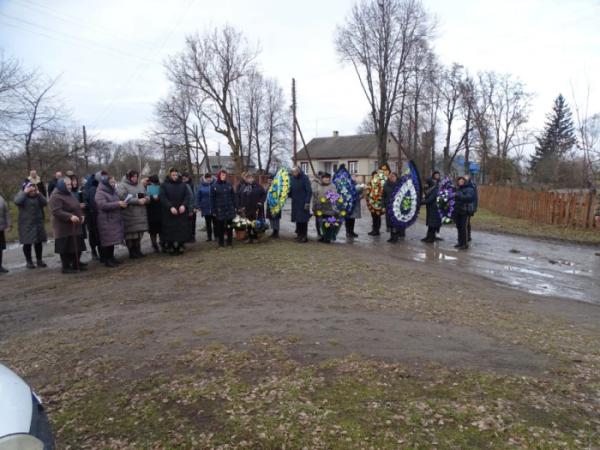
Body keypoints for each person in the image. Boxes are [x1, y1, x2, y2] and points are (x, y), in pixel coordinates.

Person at [50, 177, 87, 273]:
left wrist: (82, 215)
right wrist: (70, 216)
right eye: (68, 185)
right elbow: (56, 211)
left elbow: (77, 206)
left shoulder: (70, 194)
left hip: (75, 225)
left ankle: (76, 263)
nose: (70, 186)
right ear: (62, 185)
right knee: (66, 248)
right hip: (63, 227)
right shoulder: (56, 196)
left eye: (70, 184)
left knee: (77, 246)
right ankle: (66, 267)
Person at [14, 182, 48, 269]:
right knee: (27, 243)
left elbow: (45, 202)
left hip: (38, 223)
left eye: (34, 188)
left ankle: (39, 260)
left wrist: (39, 193)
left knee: (38, 242)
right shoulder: (22, 195)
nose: (32, 190)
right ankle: (29, 261)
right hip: (26, 224)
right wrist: (25, 192)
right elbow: (17, 201)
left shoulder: (37, 196)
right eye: (31, 188)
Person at [96, 175, 127, 267]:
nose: (114, 184)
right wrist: (117, 204)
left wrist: (122, 205)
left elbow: (115, 202)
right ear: (106, 183)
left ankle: (112, 258)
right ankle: (107, 260)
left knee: (112, 241)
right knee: (107, 242)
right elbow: (102, 205)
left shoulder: (113, 192)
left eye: (114, 182)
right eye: (112, 182)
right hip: (106, 220)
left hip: (114, 219)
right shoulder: (100, 193)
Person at [117, 170, 149, 259]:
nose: (135, 178)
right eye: (133, 176)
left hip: (140, 214)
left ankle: (138, 250)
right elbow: (122, 197)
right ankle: (132, 252)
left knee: (139, 234)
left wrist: (145, 199)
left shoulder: (140, 185)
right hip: (129, 214)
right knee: (131, 235)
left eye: (136, 176)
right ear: (128, 177)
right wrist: (137, 201)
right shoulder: (122, 185)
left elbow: (145, 195)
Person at [160, 168, 192, 255]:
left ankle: (180, 245)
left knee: (181, 229)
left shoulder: (183, 185)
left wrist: (183, 205)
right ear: (170, 175)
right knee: (170, 230)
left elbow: (187, 196)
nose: (175, 177)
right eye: (173, 175)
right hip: (169, 212)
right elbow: (163, 197)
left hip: (181, 211)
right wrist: (170, 207)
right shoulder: (164, 185)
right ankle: (170, 246)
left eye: (176, 175)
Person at [237, 172, 266, 243]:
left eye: (250, 178)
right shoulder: (243, 186)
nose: (249, 179)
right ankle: (250, 237)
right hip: (246, 208)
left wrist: (260, 202)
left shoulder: (258, 186)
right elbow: (238, 196)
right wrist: (240, 206)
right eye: (247, 178)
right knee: (248, 223)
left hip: (255, 208)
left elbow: (264, 194)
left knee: (255, 222)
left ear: (252, 178)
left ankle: (256, 236)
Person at [82, 171, 105, 260]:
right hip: (91, 215)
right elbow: (87, 200)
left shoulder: (98, 185)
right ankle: (94, 251)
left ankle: (101, 252)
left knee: (99, 234)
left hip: (96, 213)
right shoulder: (89, 188)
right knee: (93, 234)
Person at [210, 169, 236, 248]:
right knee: (220, 227)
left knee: (229, 227)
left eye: (225, 175)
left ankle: (229, 243)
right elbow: (212, 199)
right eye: (222, 175)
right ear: (219, 176)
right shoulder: (214, 186)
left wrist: (235, 206)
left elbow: (233, 196)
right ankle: (221, 244)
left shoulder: (229, 184)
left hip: (229, 208)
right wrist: (213, 210)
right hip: (219, 209)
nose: (223, 177)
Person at [289, 166, 312, 243]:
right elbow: (290, 189)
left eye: (295, 172)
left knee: (303, 220)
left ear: (299, 171)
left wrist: (307, 202)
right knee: (297, 219)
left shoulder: (304, 178)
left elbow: (309, 191)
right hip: (295, 202)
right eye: (293, 172)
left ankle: (304, 236)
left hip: (303, 202)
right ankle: (299, 234)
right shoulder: (292, 179)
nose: (294, 173)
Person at [453, 176, 475, 250]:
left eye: (462, 181)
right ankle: (460, 242)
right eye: (459, 181)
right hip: (458, 210)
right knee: (459, 227)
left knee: (463, 228)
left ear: (465, 181)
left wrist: (458, 195)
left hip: (465, 211)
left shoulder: (470, 189)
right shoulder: (457, 189)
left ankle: (465, 244)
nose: (460, 182)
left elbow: (469, 198)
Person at [382, 172, 404, 243]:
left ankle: (395, 237)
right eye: (391, 176)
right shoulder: (386, 185)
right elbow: (383, 196)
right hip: (388, 206)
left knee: (395, 223)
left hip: (397, 207)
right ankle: (391, 237)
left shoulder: (399, 185)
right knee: (390, 223)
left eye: (393, 176)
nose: (392, 178)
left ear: (396, 177)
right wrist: (383, 205)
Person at [196, 173, 215, 241]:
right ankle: (209, 237)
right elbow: (198, 196)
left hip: (214, 207)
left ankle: (217, 236)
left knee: (215, 222)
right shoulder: (201, 186)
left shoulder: (214, 184)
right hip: (205, 207)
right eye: (207, 178)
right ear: (205, 178)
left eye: (209, 177)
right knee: (208, 223)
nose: (209, 179)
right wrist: (198, 206)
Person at [421, 177, 441, 243]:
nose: (425, 185)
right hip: (430, 208)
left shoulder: (435, 190)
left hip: (434, 209)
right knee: (430, 224)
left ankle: (431, 238)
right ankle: (428, 237)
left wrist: (420, 202)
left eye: (426, 183)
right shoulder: (429, 189)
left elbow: (430, 200)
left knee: (432, 224)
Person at [146, 175, 163, 252]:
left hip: (154, 211)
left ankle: (156, 244)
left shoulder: (149, 188)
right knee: (157, 230)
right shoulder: (160, 187)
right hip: (155, 211)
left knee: (154, 231)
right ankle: (158, 244)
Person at [345, 174, 363, 238]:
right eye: (353, 176)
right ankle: (348, 232)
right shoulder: (347, 184)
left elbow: (360, 193)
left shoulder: (356, 184)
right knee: (348, 218)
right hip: (349, 204)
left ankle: (351, 231)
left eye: (355, 177)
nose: (355, 178)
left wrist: (361, 194)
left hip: (355, 204)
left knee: (353, 218)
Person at [366, 170, 383, 236]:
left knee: (377, 216)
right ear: (372, 176)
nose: (375, 176)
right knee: (373, 216)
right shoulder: (370, 182)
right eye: (374, 175)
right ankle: (374, 230)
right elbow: (368, 191)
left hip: (378, 203)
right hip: (371, 203)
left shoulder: (380, 183)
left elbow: (381, 192)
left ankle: (377, 230)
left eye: (377, 175)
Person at [181, 173, 197, 243]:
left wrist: (194, 207)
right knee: (186, 223)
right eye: (183, 179)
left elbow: (194, 197)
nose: (184, 180)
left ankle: (192, 236)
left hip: (191, 207)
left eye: (185, 178)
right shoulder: (182, 185)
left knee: (192, 223)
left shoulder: (192, 185)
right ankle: (187, 237)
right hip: (185, 208)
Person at [464, 175, 478, 242]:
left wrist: (474, 207)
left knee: (466, 222)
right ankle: (467, 236)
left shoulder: (472, 186)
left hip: (469, 207)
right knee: (466, 222)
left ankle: (467, 237)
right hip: (463, 207)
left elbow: (475, 198)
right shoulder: (463, 186)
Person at [0, 193, 11, 273]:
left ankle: (0, 266)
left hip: (0, 228)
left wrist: (8, 225)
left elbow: (6, 212)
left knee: (0, 248)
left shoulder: (1, 198)